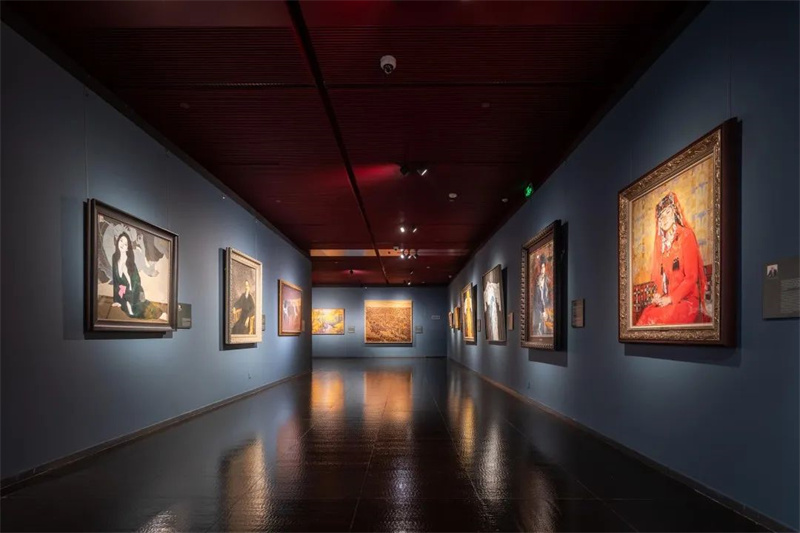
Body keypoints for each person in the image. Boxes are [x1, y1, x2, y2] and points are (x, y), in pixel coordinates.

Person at [636, 191, 707, 326]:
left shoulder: (686, 236)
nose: (664, 219)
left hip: (687, 301)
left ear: (674, 212)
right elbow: (664, 282)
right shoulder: (663, 245)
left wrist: (671, 298)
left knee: (660, 317)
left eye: (668, 213)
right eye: (661, 217)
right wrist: (659, 296)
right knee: (647, 313)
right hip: (670, 301)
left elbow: (691, 277)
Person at [112, 232, 160, 319]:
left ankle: (162, 315)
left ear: (127, 247)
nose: (122, 244)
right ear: (117, 241)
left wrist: (132, 301)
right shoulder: (114, 257)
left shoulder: (131, 261)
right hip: (125, 294)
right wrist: (117, 299)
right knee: (130, 313)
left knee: (141, 311)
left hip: (135, 292)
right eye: (121, 241)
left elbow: (136, 282)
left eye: (125, 244)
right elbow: (116, 281)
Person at [532, 254, 552, 335]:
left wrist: (546, 310)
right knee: (538, 329)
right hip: (538, 309)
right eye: (540, 267)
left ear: (545, 268)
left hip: (546, 309)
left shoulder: (548, 281)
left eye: (543, 267)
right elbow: (536, 298)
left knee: (546, 329)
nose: (541, 270)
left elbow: (549, 297)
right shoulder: (536, 280)